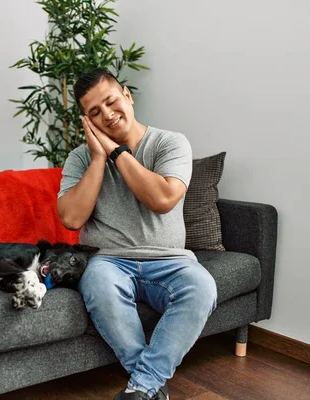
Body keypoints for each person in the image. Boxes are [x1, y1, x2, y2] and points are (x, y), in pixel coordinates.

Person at [57, 68, 218, 400]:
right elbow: (71, 219)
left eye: (111, 102)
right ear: (87, 121)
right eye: (95, 113)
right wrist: (99, 159)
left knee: (202, 287)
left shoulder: (169, 143)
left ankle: (141, 386)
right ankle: (146, 387)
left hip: (170, 262)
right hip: (109, 263)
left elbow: (162, 199)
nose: (108, 116)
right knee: (98, 282)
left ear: (127, 95)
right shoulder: (80, 158)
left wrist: (117, 152)